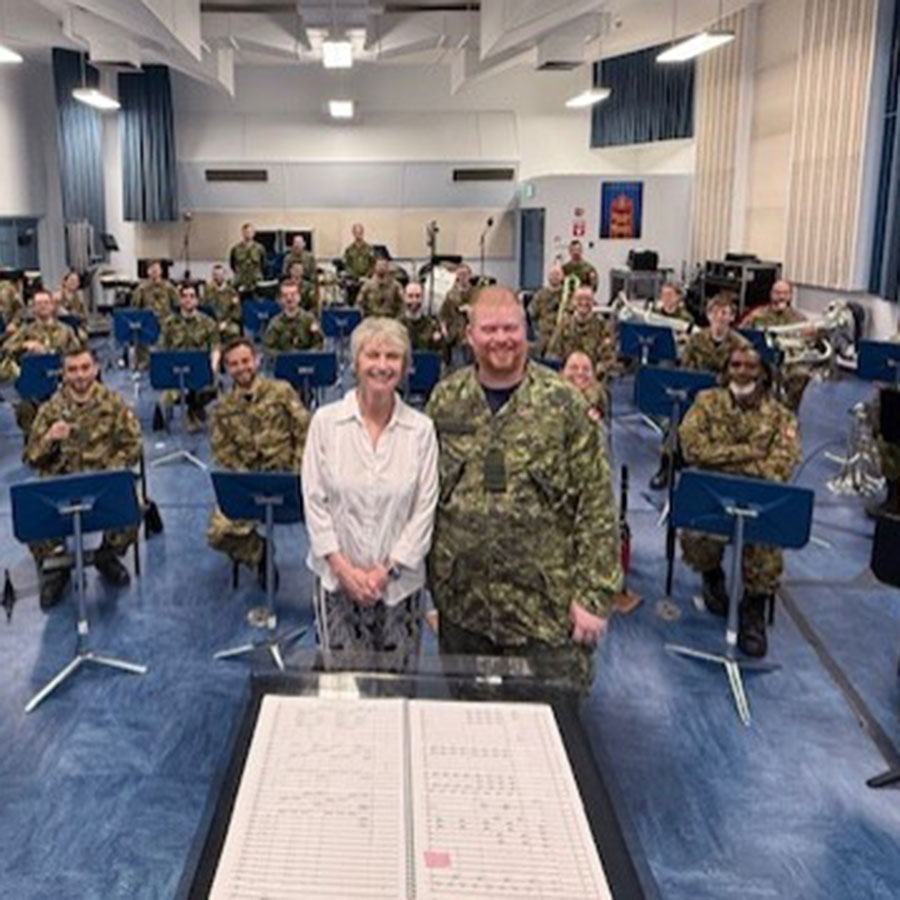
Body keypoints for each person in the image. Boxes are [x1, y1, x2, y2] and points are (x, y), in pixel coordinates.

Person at [426, 287, 621, 688]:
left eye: (511, 328)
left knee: (551, 729)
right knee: (469, 731)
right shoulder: (446, 401)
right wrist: (430, 593)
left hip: (546, 611)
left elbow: (597, 503)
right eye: (490, 328)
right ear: (470, 336)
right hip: (465, 605)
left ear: (526, 331)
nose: (501, 338)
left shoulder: (563, 403)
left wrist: (594, 596)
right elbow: (426, 498)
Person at [302, 317, 438, 663]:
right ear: (355, 362)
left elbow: (424, 512)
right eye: (372, 355)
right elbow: (314, 502)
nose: (381, 365)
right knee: (342, 690)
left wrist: (385, 571)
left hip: (400, 587)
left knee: (397, 688)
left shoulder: (421, 430)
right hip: (336, 583)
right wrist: (344, 570)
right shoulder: (325, 423)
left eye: (392, 357)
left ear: (405, 367)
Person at [679, 345, 801, 657]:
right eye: (735, 365)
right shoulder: (706, 402)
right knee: (695, 535)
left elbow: (782, 466)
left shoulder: (779, 415)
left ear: (762, 373)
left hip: (760, 499)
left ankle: (753, 608)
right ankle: (712, 576)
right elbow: (692, 449)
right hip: (712, 492)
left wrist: (721, 459)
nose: (742, 371)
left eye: (750, 366)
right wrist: (749, 454)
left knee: (766, 546)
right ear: (726, 369)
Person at [24, 345, 141, 609]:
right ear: (63, 374)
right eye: (73, 370)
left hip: (102, 483)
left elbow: (132, 445)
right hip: (62, 486)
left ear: (96, 369)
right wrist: (49, 438)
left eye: (85, 368)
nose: (80, 375)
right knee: (32, 514)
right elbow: (31, 457)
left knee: (131, 510)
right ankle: (56, 567)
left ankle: (107, 556)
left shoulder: (113, 404)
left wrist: (111, 470)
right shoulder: (51, 409)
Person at [207, 338, 310, 581]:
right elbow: (222, 452)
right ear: (227, 369)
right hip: (248, 484)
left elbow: (305, 432)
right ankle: (259, 553)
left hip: (288, 478)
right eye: (233, 364)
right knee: (218, 534)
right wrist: (243, 478)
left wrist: (298, 472)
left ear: (256, 360)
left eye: (246, 361)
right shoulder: (222, 408)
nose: (241, 368)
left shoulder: (281, 391)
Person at [2, 288, 81, 438]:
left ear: (52, 305)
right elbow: (6, 348)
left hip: (61, 381)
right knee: (23, 407)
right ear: (33, 308)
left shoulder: (66, 331)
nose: (43, 306)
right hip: (34, 383)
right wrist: (24, 345)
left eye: (46, 302)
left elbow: (79, 353)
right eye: (38, 303)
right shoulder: (26, 330)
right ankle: (34, 441)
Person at [741, 279, 812, 412]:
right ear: (771, 294)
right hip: (762, 359)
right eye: (777, 292)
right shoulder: (758, 315)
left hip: (789, 361)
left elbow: (807, 344)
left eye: (784, 293)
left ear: (790, 295)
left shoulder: (799, 318)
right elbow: (742, 335)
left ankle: (789, 410)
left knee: (802, 374)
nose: (780, 296)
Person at [158, 283, 220, 430]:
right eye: (184, 296)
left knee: (211, 388)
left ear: (197, 300)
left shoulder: (208, 323)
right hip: (175, 372)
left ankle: (193, 411)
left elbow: (216, 347)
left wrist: (214, 366)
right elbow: (162, 350)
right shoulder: (169, 324)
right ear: (179, 300)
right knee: (166, 397)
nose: (188, 300)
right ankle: (194, 413)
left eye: (192, 296)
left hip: (200, 372)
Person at [547, 286, 615, 376]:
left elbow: (608, 358)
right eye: (579, 299)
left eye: (588, 299)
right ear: (573, 302)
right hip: (567, 379)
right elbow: (552, 354)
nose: (584, 302)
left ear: (593, 302)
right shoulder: (564, 325)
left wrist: (592, 374)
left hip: (593, 379)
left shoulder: (602, 326)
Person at [681, 293, 750, 374]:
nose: (719, 317)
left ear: (732, 317)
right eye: (714, 312)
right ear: (708, 315)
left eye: (724, 313)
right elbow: (685, 369)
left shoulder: (741, 345)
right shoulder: (694, 340)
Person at [263, 279, 323, 353]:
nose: (289, 298)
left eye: (293, 294)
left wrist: (308, 355)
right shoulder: (275, 324)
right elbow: (268, 348)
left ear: (299, 297)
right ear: (280, 299)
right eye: (285, 295)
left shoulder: (309, 320)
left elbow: (319, 343)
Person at [528, 266, 565, 357]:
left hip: (562, 336)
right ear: (548, 277)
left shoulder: (567, 294)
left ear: (562, 277)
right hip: (543, 335)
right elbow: (532, 312)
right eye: (552, 274)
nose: (554, 277)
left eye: (557, 274)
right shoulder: (540, 294)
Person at [561, 350, 605, 422]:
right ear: (562, 371)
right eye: (573, 368)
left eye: (586, 369)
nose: (580, 372)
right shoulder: (549, 396)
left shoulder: (599, 398)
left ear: (593, 375)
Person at [400, 281, 443, 353]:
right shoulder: (397, 326)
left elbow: (437, 355)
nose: (414, 300)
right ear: (404, 297)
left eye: (418, 296)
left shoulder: (432, 326)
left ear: (422, 298)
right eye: (410, 296)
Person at [205, 263, 242, 342]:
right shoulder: (207, 291)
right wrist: (215, 324)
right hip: (211, 322)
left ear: (224, 275)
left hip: (228, 322)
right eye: (215, 274)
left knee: (234, 331)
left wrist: (226, 323)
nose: (217, 277)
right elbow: (204, 310)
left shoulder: (232, 292)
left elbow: (237, 313)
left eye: (220, 274)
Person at [229, 222, 266, 294]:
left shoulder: (260, 248)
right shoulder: (235, 249)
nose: (248, 234)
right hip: (240, 281)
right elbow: (232, 264)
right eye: (246, 232)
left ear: (254, 233)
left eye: (250, 232)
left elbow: (263, 264)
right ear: (242, 233)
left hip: (255, 281)